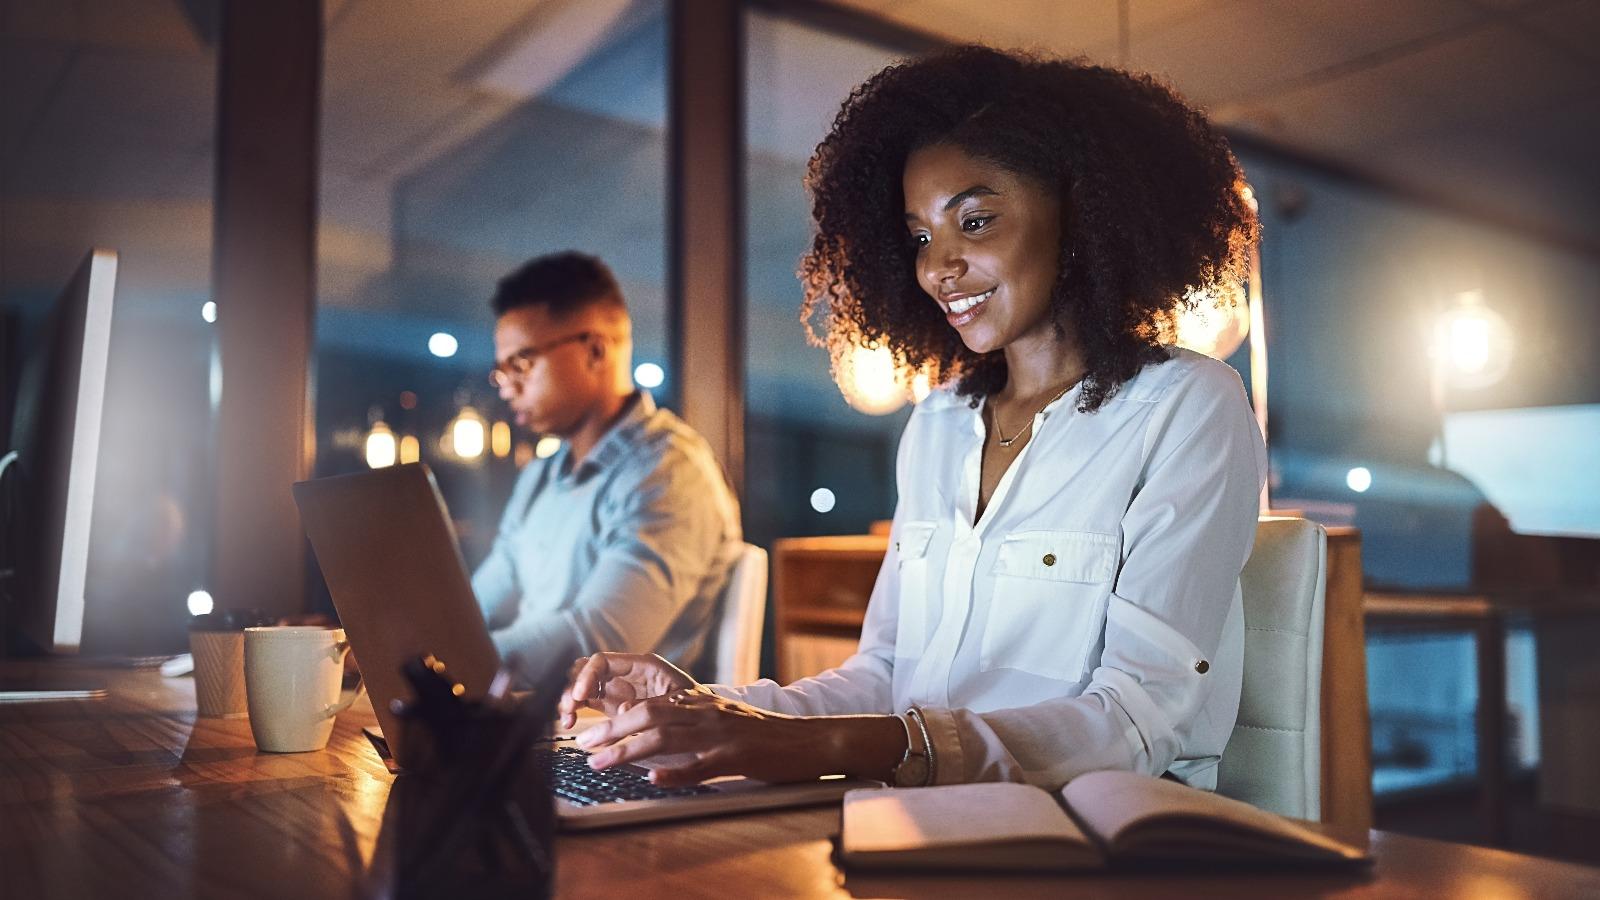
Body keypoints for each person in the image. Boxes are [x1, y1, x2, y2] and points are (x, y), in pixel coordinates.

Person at [560, 47, 1266, 791]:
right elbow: (889, 676)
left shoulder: (1189, 407)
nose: (937, 268)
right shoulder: (938, 425)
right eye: (922, 237)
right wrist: (706, 710)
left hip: (1092, 844)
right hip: (915, 822)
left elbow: (1133, 722)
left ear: (1085, 210)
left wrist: (834, 750)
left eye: (976, 220)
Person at [472, 251, 743, 684]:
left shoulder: (669, 472)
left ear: (595, 350)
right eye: (501, 371)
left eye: (521, 364)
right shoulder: (543, 474)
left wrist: (447, 656)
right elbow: (481, 600)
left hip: (618, 736)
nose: (508, 388)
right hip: (531, 716)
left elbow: (597, 640)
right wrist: (408, 644)